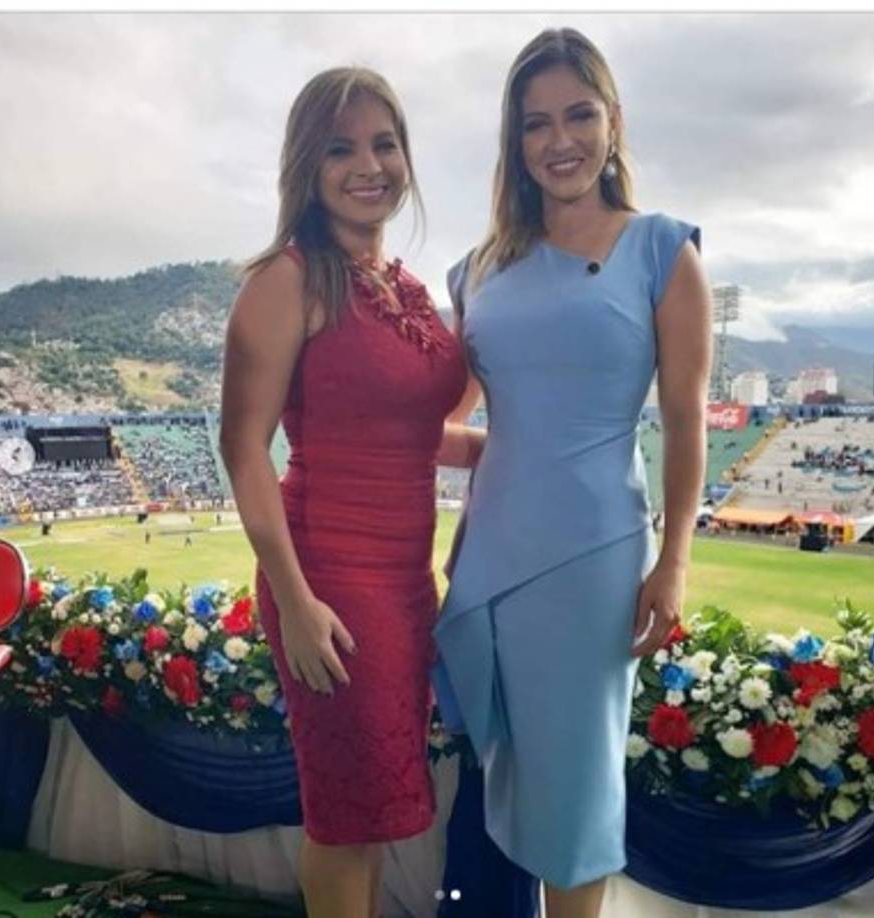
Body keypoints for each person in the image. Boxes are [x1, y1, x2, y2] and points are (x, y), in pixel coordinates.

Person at [431, 28, 713, 918]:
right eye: (536, 123)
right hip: (486, 558)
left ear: (613, 121)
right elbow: (446, 421)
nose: (560, 141)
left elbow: (685, 417)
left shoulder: (663, 251)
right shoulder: (474, 271)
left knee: (576, 792)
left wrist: (672, 564)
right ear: (514, 143)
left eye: (579, 115)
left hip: (594, 559)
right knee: (510, 769)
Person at [218, 68, 477, 918]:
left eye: (383, 142)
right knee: (343, 822)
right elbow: (243, 447)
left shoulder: (403, 285)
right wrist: (294, 601)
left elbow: (400, 432)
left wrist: (515, 454)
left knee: (368, 818)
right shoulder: (286, 279)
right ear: (307, 164)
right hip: (327, 578)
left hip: (407, 585)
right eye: (341, 148)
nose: (368, 165)